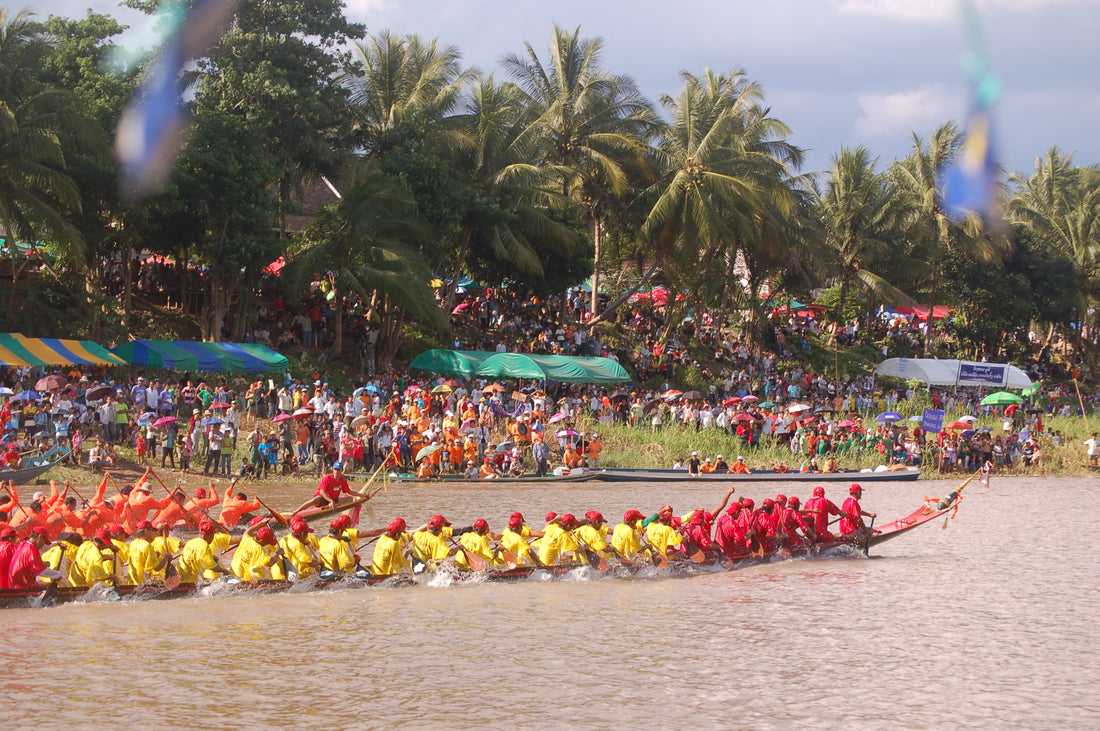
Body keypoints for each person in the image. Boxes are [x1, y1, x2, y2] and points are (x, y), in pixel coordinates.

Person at [291, 462, 367, 515]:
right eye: (335, 469)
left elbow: (349, 492)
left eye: (338, 470)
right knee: (314, 500)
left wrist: (362, 496)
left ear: (342, 471)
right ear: (333, 470)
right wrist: (330, 500)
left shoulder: (343, 480)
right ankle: (296, 512)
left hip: (334, 500)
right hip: (324, 498)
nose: (336, 472)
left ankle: (332, 505)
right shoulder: (327, 478)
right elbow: (321, 492)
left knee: (350, 499)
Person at [127, 520, 169, 585]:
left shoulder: (133, 543)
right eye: (152, 531)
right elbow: (157, 568)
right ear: (146, 531)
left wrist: (158, 529)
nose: (154, 533)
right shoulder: (147, 546)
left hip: (131, 581)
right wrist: (166, 558)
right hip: (141, 582)